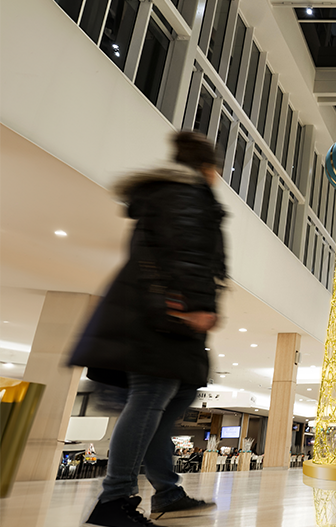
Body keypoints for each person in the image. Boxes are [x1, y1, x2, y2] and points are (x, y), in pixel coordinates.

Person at [69, 131, 226, 527]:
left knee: (174, 397)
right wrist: (197, 306)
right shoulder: (186, 196)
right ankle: (115, 497)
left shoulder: (172, 195)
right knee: (152, 396)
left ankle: (167, 493)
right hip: (162, 319)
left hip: (157, 315)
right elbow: (186, 253)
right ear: (208, 168)